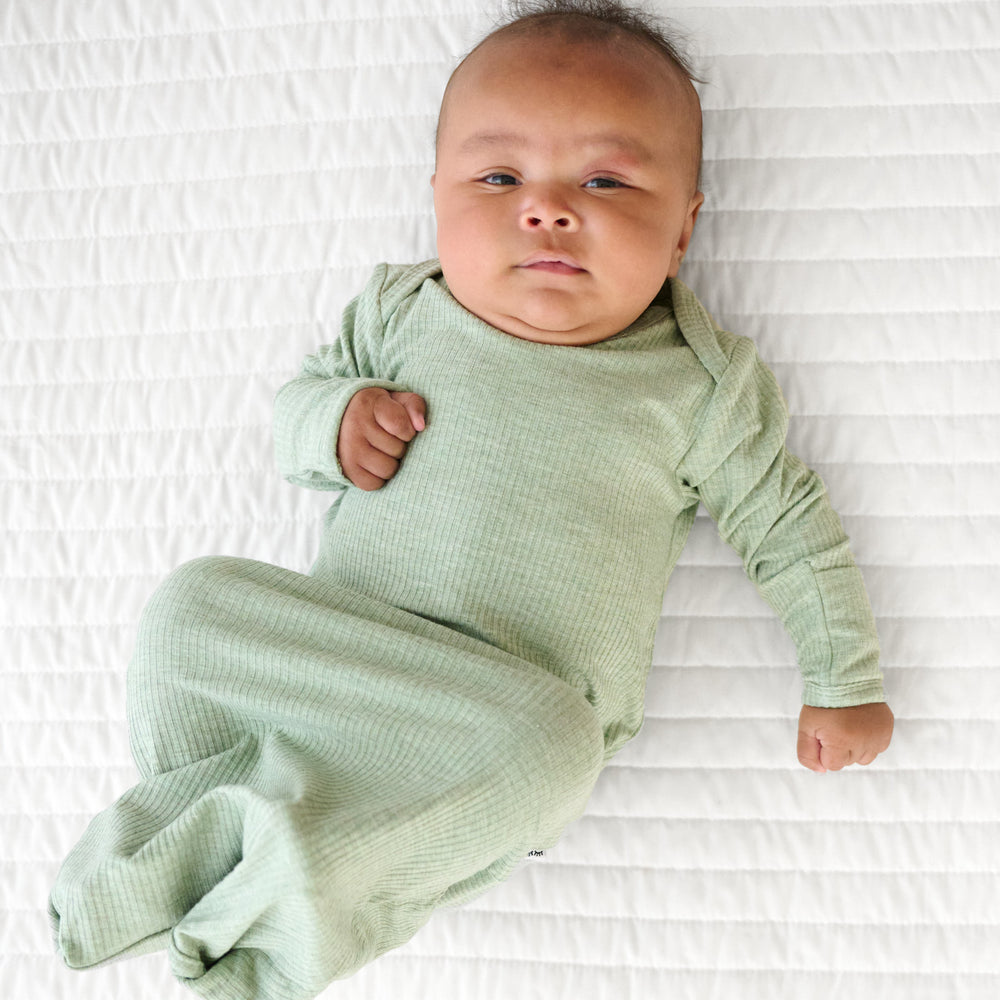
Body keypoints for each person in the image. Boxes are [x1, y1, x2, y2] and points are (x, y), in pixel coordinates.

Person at [49, 2, 894, 998]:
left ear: (683, 228)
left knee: (554, 750)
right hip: (341, 659)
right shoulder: (404, 312)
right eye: (499, 177)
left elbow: (789, 530)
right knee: (194, 604)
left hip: (497, 718)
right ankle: (203, 824)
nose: (546, 208)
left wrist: (843, 674)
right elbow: (293, 421)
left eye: (605, 180)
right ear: (438, 196)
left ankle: (271, 927)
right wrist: (335, 419)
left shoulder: (694, 385)